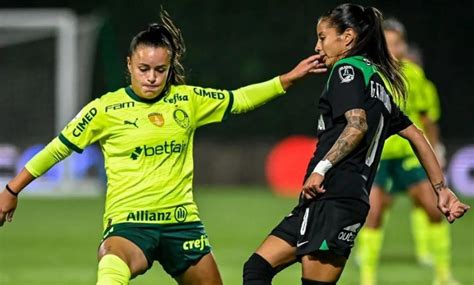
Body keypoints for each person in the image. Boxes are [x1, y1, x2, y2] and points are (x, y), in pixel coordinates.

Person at [0, 9, 328, 285]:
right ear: (129, 64)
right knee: (112, 263)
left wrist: (287, 79)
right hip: (130, 222)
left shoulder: (186, 100)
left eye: (161, 69)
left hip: (182, 223)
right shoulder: (104, 110)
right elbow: (57, 149)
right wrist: (12, 189)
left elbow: (238, 99)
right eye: (144, 69)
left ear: (170, 67)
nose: (152, 77)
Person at [242, 4, 469, 285]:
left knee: (262, 272)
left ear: (347, 37)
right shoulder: (379, 84)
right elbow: (417, 135)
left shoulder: (346, 70)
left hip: (334, 195)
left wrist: (321, 168)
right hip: (337, 199)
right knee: (256, 269)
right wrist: (441, 188)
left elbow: (357, 125)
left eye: (323, 37)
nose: (317, 46)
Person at [356, 18, 457, 285]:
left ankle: (443, 275)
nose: (391, 49)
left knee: (434, 210)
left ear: (403, 46)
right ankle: (367, 278)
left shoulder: (414, 76)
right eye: (386, 43)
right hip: (378, 155)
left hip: (410, 155)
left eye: (396, 43)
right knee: (373, 214)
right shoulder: (368, 75)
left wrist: (436, 152)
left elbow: (427, 118)